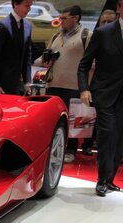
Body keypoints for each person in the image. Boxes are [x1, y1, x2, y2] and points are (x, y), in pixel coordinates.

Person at [77, 0, 123, 196]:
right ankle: (102, 180)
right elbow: (84, 64)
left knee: (120, 137)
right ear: (120, 8)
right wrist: (84, 89)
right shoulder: (103, 33)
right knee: (109, 134)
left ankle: (110, 179)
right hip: (104, 93)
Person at [34, 5, 91, 163]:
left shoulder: (86, 35)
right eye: (60, 18)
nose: (61, 21)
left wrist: (86, 86)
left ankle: (71, 149)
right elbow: (42, 60)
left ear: (75, 18)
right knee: (55, 120)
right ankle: (55, 148)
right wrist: (42, 60)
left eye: (64, 18)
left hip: (74, 86)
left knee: (73, 121)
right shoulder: (55, 37)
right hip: (53, 85)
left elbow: (93, 62)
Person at [0, 0, 33, 95]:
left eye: (30, 6)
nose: (29, 9)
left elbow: (27, 55)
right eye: (26, 5)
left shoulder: (28, 26)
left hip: (18, 84)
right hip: (1, 84)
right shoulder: (3, 26)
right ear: (16, 4)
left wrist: (27, 81)